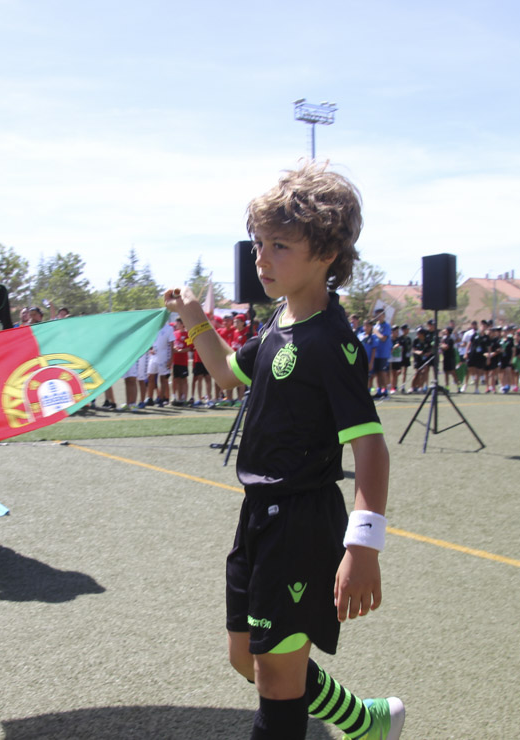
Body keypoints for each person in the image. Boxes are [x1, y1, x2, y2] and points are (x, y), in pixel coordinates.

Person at [165, 161, 402, 740]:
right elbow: (224, 373)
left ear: (325, 252)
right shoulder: (279, 322)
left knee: (276, 680)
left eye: (279, 245)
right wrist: (194, 318)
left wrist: (363, 547)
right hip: (259, 517)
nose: (261, 259)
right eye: (257, 244)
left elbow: (371, 449)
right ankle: (366, 723)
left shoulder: (332, 340)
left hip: (302, 522)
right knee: (246, 658)